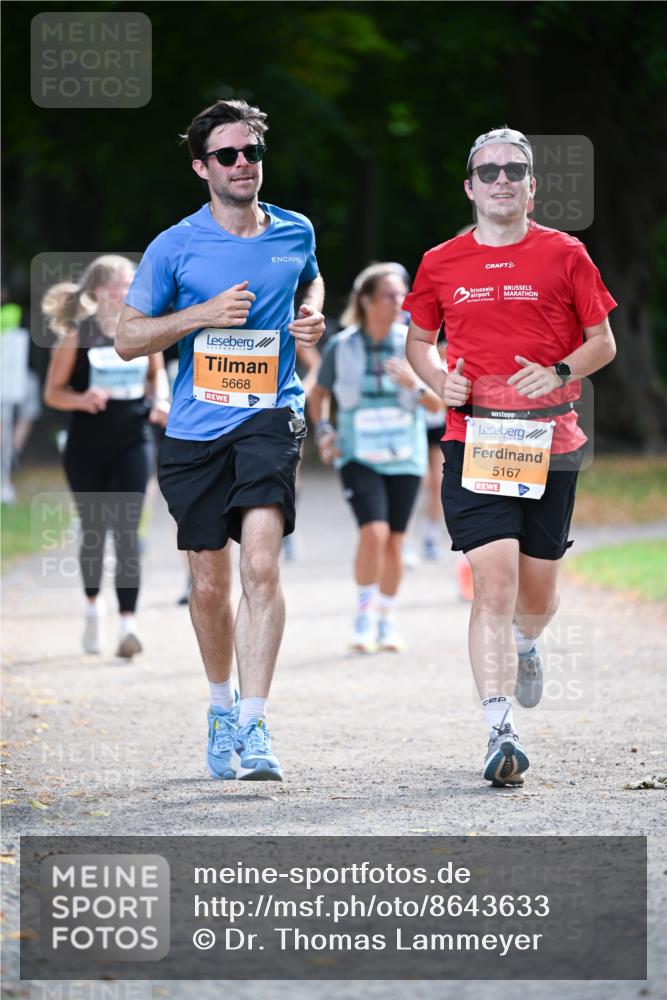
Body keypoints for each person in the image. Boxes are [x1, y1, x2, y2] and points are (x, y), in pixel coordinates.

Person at [116, 99, 325, 782]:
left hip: (270, 416)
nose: (243, 164)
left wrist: (312, 313)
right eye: (227, 155)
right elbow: (127, 338)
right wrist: (201, 314)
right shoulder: (174, 246)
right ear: (202, 167)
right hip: (194, 431)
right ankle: (219, 706)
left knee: (260, 566)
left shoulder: (295, 230)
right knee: (208, 583)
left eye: (251, 152)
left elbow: (309, 276)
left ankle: (256, 722)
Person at [405, 127, 616, 786]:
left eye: (513, 171)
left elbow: (603, 341)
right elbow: (418, 342)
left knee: (537, 593)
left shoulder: (565, 253)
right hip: (474, 438)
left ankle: (525, 643)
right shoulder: (440, 261)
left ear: (531, 187)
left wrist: (559, 370)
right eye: (488, 171)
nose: (501, 180)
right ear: (470, 187)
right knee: (492, 583)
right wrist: (437, 381)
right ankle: (500, 732)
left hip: (550, 441)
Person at [309, 262, 442, 653]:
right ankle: (364, 615)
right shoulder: (341, 345)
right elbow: (319, 394)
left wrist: (414, 384)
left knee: (396, 542)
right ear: (366, 301)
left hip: (405, 455)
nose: (398, 302)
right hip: (358, 454)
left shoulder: (414, 346)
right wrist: (324, 430)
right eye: (389, 295)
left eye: (402, 294)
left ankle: (386, 618)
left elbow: (440, 403)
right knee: (374, 532)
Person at [42, 254, 170, 658]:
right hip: (86, 446)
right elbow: (52, 393)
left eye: (133, 284)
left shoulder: (143, 329)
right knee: (94, 530)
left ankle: (128, 624)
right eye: (121, 285)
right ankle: (92, 609)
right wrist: (82, 399)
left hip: (133, 439)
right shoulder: (77, 336)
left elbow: (158, 375)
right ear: (99, 291)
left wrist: (161, 399)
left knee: (127, 531)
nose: (129, 292)